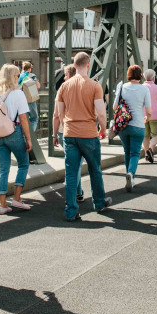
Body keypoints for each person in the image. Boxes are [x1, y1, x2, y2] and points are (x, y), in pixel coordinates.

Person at [53, 52, 112, 221]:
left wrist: (56, 133)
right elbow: (101, 113)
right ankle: (99, 203)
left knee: (71, 174)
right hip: (88, 134)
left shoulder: (64, 86)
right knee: (95, 170)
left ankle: (71, 211)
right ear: (88, 65)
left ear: (73, 65)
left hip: (69, 134)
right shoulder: (95, 86)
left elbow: (58, 114)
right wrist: (102, 129)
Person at [0, 64, 34, 214]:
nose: (18, 78)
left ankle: (2, 205)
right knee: (23, 163)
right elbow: (23, 118)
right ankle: (17, 199)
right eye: (16, 75)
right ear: (12, 77)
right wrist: (28, 139)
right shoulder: (18, 94)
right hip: (14, 133)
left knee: (3, 170)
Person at [112, 65, 152, 192]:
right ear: (140, 75)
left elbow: (114, 107)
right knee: (135, 153)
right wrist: (147, 118)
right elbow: (149, 110)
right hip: (138, 124)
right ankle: (131, 174)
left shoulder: (122, 86)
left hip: (123, 126)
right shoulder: (144, 89)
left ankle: (128, 174)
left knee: (127, 151)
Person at [52, 64, 84, 203]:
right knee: (76, 165)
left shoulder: (61, 91)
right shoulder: (85, 89)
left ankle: (74, 194)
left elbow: (56, 115)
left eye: (65, 75)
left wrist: (54, 134)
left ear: (70, 75)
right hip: (82, 132)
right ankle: (78, 192)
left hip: (64, 132)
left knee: (72, 165)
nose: (63, 77)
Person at [141, 69, 157, 164]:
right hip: (155, 115)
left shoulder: (141, 88)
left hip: (143, 115)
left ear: (144, 77)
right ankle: (150, 149)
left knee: (145, 136)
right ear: (154, 78)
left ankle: (147, 154)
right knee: (156, 134)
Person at [18, 61, 39, 132]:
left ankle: (23, 133)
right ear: (30, 68)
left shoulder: (19, 76)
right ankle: (30, 134)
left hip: (20, 99)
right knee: (34, 118)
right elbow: (38, 86)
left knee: (23, 118)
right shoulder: (32, 75)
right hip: (30, 99)